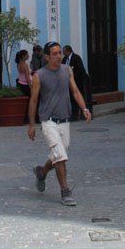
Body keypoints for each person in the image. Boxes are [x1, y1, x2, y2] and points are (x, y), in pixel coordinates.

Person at [28, 42, 92, 206]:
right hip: (48, 121)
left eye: (59, 53)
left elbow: (75, 91)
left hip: (64, 120)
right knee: (60, 156)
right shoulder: (39, 75)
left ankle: (41, 171)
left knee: (59, 155)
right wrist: (31, 125)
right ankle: (65, 191)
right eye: (54, 54)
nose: (58, 56)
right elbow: (34, 100)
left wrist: (84, 108)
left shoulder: (67, 70)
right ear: (47, 57)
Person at [62, 44, 92, 117]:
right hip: (68, 82)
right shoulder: (64, 59)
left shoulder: (76, 58)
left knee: (80, 97)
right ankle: (74, 114)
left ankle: (83, 113)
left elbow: (80, 69)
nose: (63, 53)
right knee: (72, 98)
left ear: (68, 51)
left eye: (64, 51)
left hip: (78, 81)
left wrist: (72, 73)